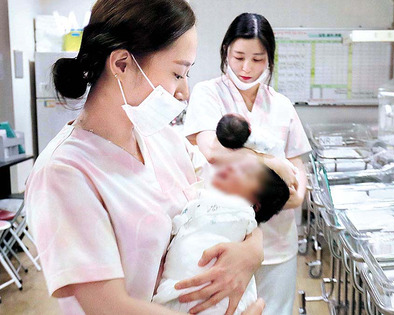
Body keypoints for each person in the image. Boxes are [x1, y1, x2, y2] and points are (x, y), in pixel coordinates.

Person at [24, 1, 265, 314]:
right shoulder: (64, 173)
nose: (185, 92)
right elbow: (107, 306)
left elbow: (226, 203)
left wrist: (252, 251)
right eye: (178, 74)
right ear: (122, 64)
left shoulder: (163, 140)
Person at [184, 13, 312, 314]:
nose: (246, 67)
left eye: (257, 59)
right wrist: (274, 166)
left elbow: (297, 162)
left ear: (269, 59)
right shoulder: (208, 93)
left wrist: (300, 193)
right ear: (225, 50)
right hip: (222, 236)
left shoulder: (281, 105)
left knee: (274, 309)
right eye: (239, 56)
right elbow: (212, 150)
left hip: (277, 239)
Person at [153, 157, 290, 314]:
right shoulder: (204, 197)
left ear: (254, 205)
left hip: (217, 298)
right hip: (173, 291)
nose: (234, 171)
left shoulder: (240, 213)